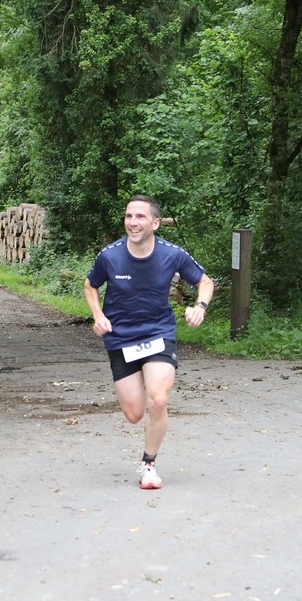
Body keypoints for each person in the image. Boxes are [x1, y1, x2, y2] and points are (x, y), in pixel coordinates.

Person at [84, 195, 214, 490]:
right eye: (129, 216)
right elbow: (91, 286)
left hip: (158, 333)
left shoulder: (172, 254)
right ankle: (143, 379)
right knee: (133, 414)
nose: (133, 222)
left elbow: (205, 282)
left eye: (140, 217)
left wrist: (200, 307)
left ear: (155, 223)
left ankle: (148, 465)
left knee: (158, 399)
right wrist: (98, 315)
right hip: (121, 337)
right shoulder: (109, 256)